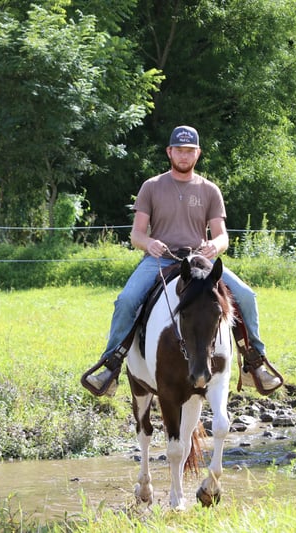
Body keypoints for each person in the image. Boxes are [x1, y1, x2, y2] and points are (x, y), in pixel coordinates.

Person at [81, 125, 282, 397]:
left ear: (197, 153)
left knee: (246, 295)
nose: (184, 156)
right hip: (160, 260)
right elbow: (136, 234)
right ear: (169, 152)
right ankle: (111, 366)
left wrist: (214, 245)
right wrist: (149, 243)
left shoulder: (210, 190)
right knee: (127, 300)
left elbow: (222, 236)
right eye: (179, 150)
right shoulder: (151, 186)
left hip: (199, 260)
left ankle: (254, 363)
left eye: (189, 151)